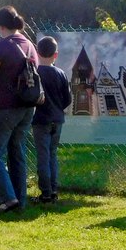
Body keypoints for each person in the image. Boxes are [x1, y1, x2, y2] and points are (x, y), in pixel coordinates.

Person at [0, 5, 38, 213]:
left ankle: (6, 198)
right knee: (17, 151)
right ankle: (19, 199)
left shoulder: (2, 45)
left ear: (1, 26)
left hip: (4, 107)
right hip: (26, 106)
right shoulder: (29, 45)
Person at [31, 36, 72, 204]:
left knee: (43, 155)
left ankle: (45, 193)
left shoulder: (36, 73)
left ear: (37, 53)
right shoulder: (60, 73)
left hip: (41, 120)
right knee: (52, 154)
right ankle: (54, 190)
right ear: (56, 55)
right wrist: (58, 108)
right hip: (57, 119)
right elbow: (67, 99)